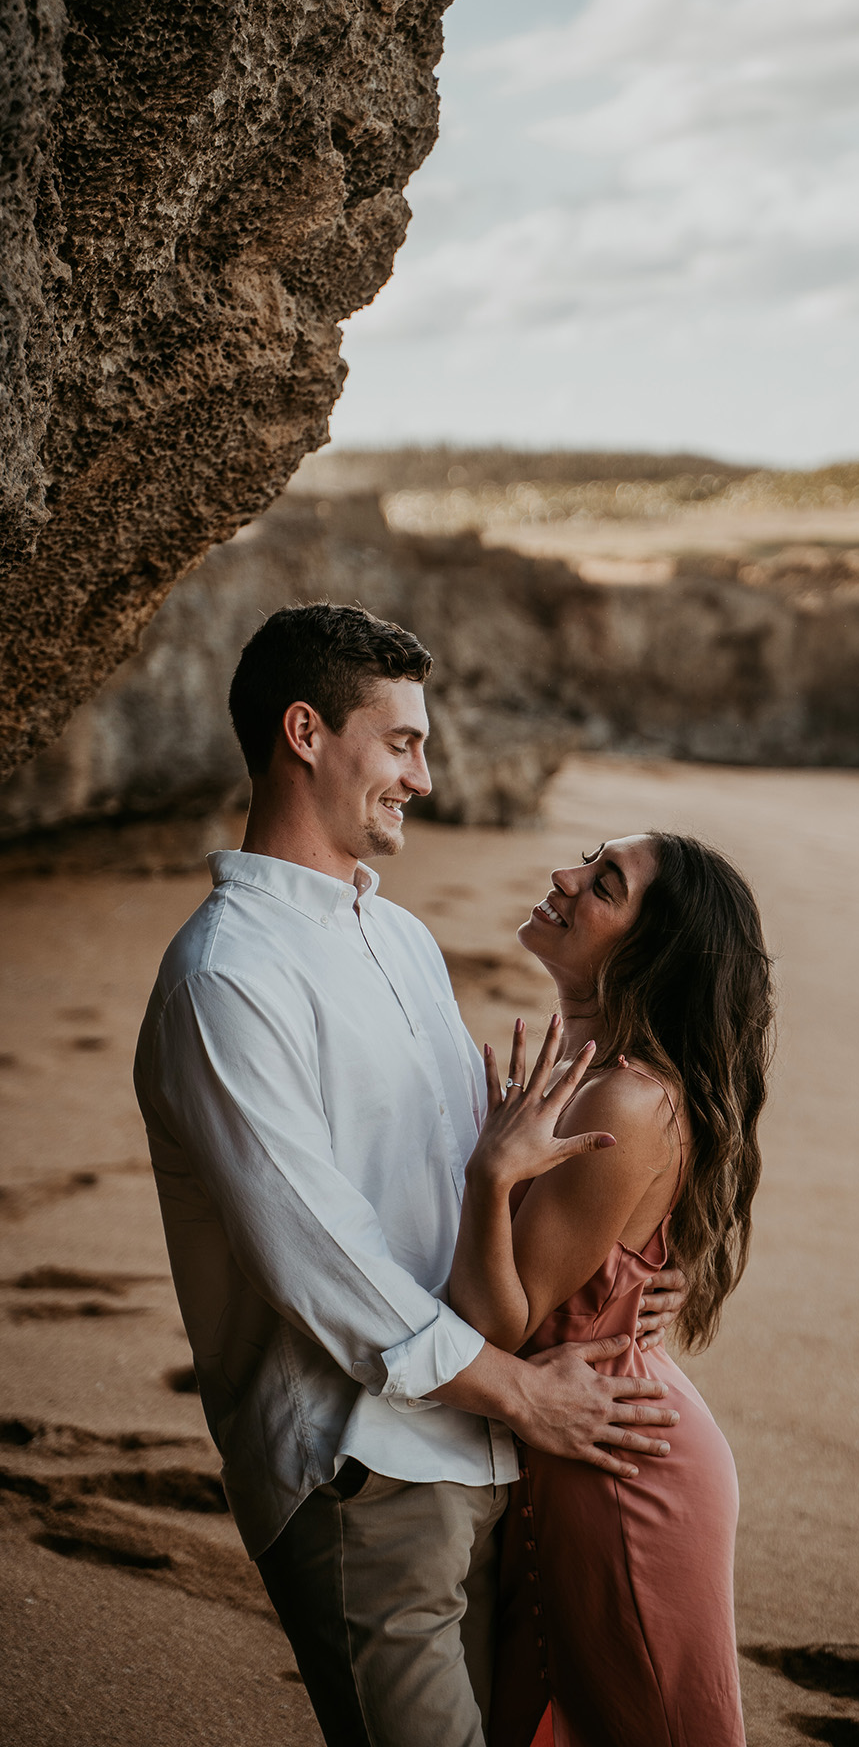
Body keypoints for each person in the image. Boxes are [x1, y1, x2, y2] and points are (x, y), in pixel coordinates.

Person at [133, 603, 688, 1747]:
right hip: (362, 1473)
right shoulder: (227, 976)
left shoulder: (400, 941)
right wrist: (528, 1392)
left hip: (488, 1457)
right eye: (400, 743)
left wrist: (619, 1274)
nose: (423, 779)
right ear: (304, 733)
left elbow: (467, 1190)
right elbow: (323, 1263)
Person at [447, 832, 774, 1747]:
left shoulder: (624, 1101)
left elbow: (495, 1325)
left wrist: (490, 1178)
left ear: (647, 950)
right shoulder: (599, 1078)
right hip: (585, 1434)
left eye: (603, 885)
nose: (563, 877)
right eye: (587, 861)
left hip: (623, 1473)